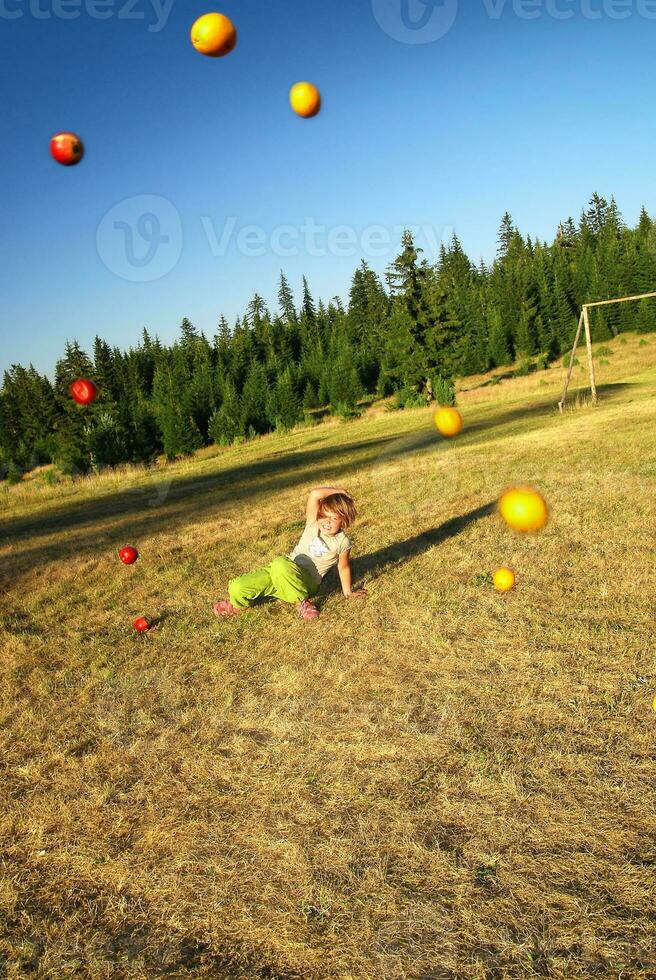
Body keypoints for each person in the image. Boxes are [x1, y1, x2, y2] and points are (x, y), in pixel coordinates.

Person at [213, 486, 366, 621]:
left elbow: (343, 567)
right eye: (324, 516)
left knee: (280, 563)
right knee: (237, 587)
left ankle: (302, 603)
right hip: (282, 573)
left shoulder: (342, 541)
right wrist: (339, 491)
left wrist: (348, 592)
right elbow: (314, 494)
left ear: (344, 520)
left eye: (334, 518)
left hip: (306, 583)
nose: (327, 522)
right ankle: (238, 606)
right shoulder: (313, 524)